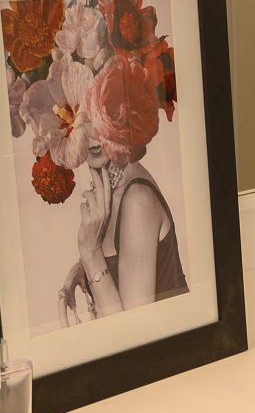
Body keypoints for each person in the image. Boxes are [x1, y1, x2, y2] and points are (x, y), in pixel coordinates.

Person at [57, 139, 187, 325]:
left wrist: (90, 252)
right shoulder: (110, 185)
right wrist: (81, 268)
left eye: (100, 114)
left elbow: (133, 331)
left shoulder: (137, 201)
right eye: (82, 117)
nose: (92, 133)